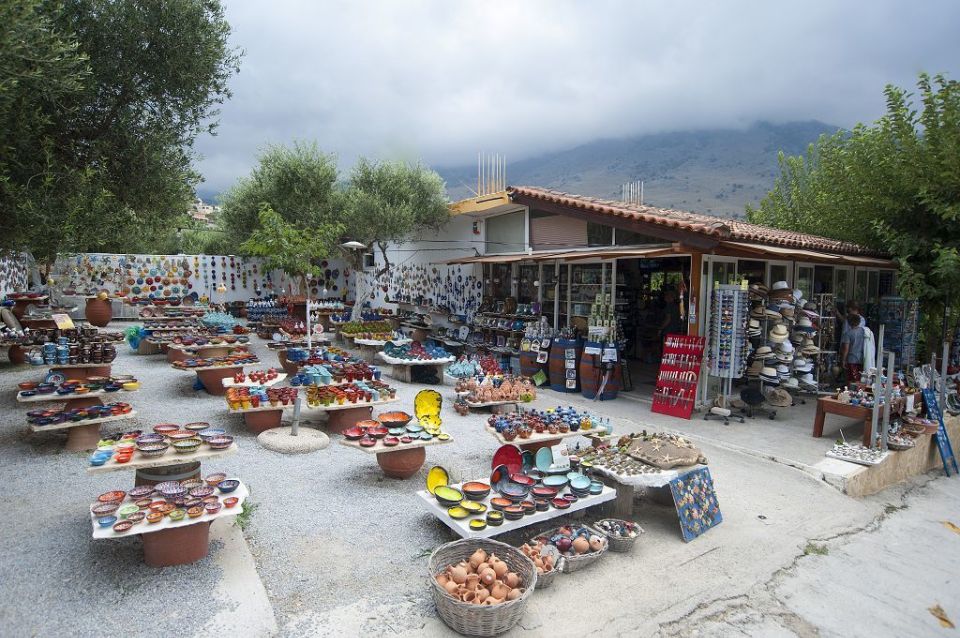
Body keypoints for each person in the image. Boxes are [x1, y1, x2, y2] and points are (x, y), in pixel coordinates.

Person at [840, 313, 866, 382]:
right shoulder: (864, 332)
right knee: (860, 378)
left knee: (852, 379)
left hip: (852, 359)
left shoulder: (848, 334)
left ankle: (852, 391)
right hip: (862, 358)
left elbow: (846, 349)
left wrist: (843, 360)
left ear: (849, 323)